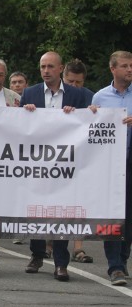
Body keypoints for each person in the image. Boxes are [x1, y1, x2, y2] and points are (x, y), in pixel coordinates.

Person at [20, 51, 88, 282]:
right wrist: (24, 113)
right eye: (42, 67)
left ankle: (61, 263)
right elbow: (17, 127)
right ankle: (37, 255)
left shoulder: (78, 95)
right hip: (38, 163)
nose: (46, 71)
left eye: (50, 66)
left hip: (65, 164)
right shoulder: (30, 93)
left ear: (61, 69)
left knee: (61, 212)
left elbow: (92, 119)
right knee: (37, 209)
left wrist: (79, 114)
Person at [92, 50, 132, 286]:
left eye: (131, 66)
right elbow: (89, 128)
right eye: (125, 66)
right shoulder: (100, 97)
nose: (129, 70)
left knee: (129, 215)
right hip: (110, 164)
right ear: (113, 69)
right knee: (112, 213)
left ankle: (123, 259)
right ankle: (114, 266)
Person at [60, 58, 95, 264]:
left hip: (80, 156)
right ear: (64, 78)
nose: (74, 86)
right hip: (56, 157)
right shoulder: (56, 96)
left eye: (78, 83)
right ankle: (50, 242)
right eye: (71, 81)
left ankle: (78, 247)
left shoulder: (90, 97)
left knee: (78, 201)